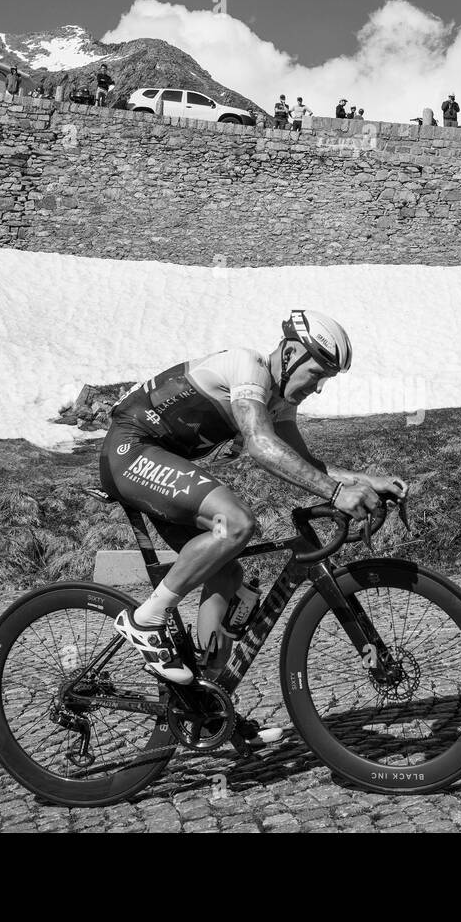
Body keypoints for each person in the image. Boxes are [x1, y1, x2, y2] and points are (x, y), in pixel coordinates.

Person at [104, 311, 407, 743]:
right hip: (130, 449)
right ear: (289, 352)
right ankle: (146, 620)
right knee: (237, 523)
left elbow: (304, 464)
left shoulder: (279, 401)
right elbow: (261, 447)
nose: (318, 387)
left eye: (326, 380)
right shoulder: (248, 368)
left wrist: (360, 480)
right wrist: (336, 493)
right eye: (316, 372)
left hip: (158, 460)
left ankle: (204, 708)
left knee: (228, 575)